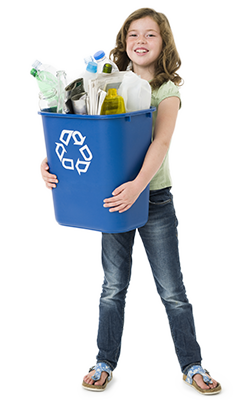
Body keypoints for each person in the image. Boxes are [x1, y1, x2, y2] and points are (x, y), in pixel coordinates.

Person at [40, 8, 222, 395]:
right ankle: (104, 360)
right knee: (113, 286)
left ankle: (192, 364)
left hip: (152, 198)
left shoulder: (166, 91)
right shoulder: (104, 85)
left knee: (172, 290)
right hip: (112, 200)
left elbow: (161, 141)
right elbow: (80, 135)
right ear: (124, 43)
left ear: (164, 42)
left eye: (150, 34)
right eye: (133, 34)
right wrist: (52, 163)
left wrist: (139, 184)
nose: (141, 40)